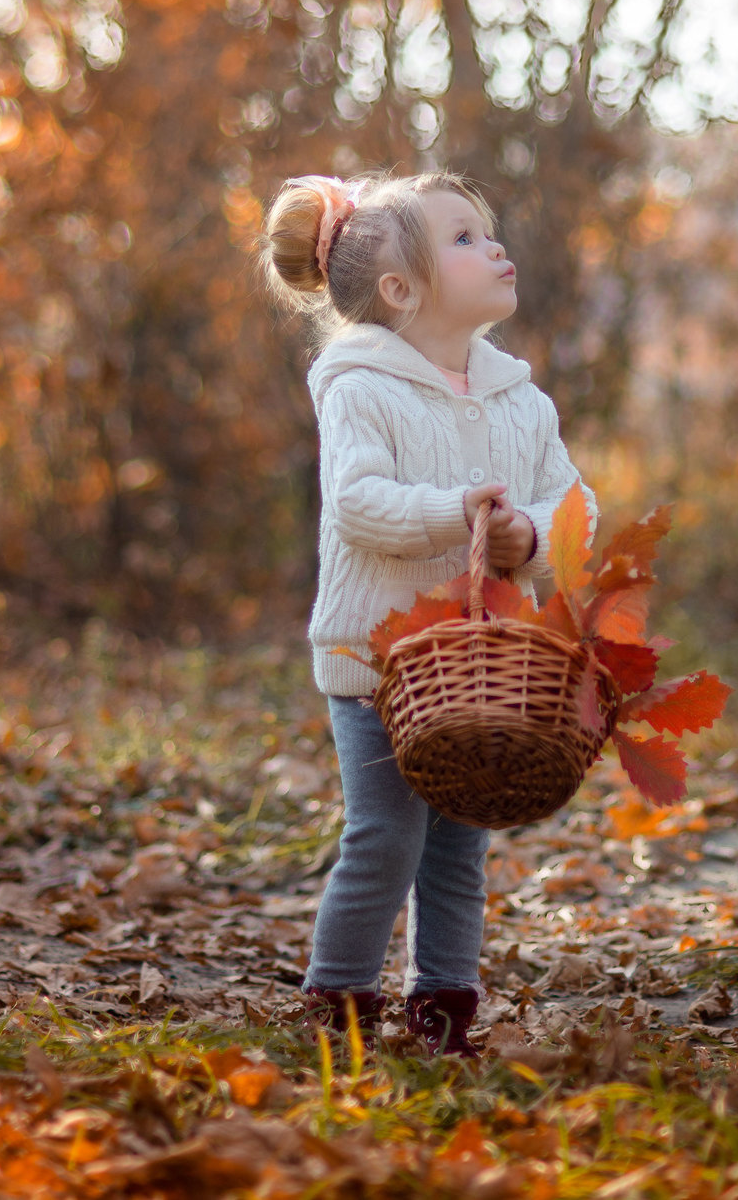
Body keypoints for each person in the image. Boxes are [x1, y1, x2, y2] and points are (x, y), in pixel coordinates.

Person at [259, 171, 593, 1057]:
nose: (493, 247)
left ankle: (444, 1010)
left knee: (460, 843)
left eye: (488, 232)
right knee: (386, 833)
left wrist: (531, 536)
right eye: (463, 237)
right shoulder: (358, 382)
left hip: (478, 664)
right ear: (402, 290)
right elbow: (360, 503)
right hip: (379, 662)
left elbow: (572, 507)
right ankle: (340, 1004)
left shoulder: (520, 399)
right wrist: (460, 509)